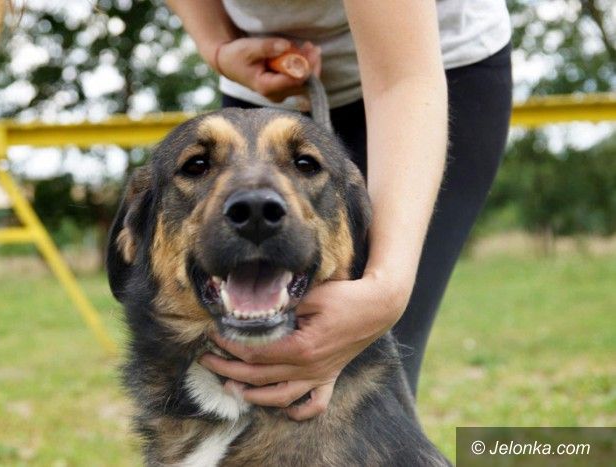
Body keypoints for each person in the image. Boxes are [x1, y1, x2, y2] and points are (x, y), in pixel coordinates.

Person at [166, 0, 513, 421]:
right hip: (265, 83)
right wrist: (218, 45)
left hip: (424, 75)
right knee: (250, 375)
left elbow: (402, 79)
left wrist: (385, 293)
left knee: (371, 375)